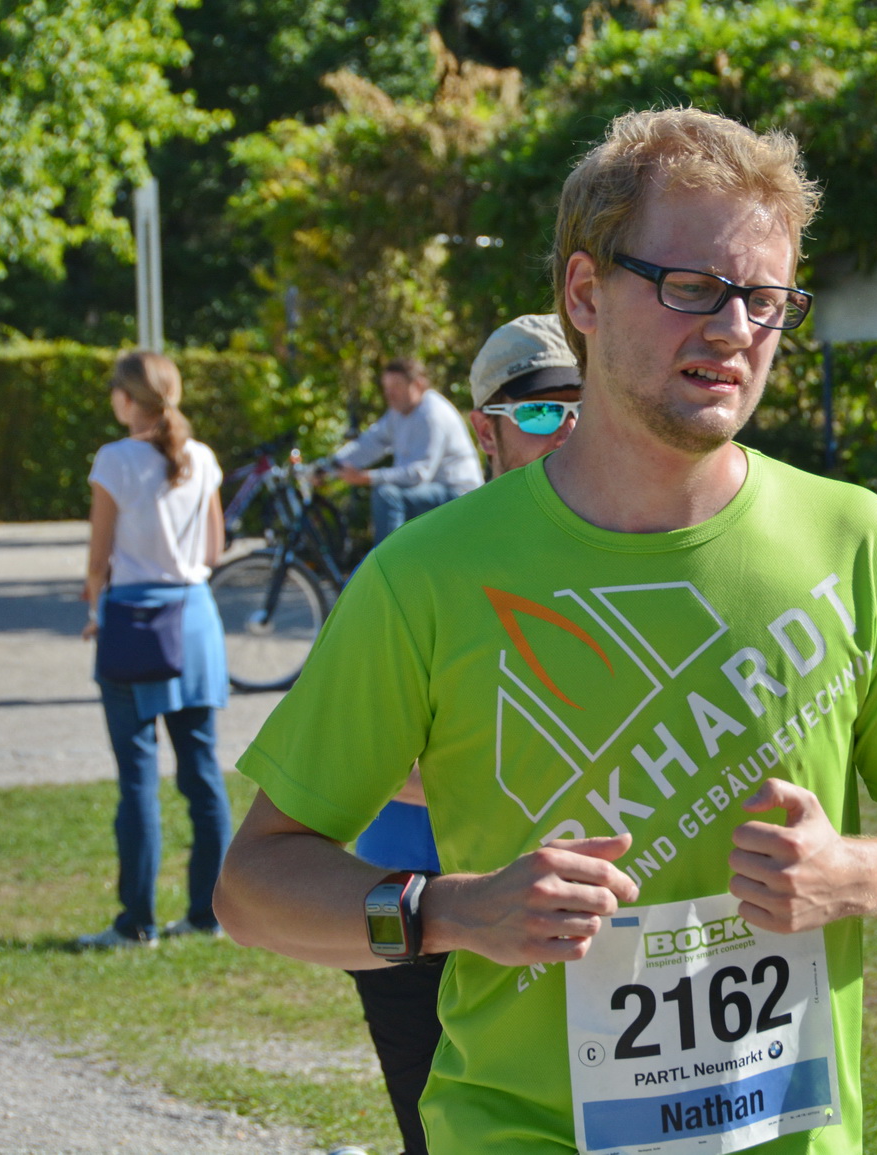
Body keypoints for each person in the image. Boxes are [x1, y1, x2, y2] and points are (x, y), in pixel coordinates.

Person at [215, 107, 877, 1155]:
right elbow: (254, 886)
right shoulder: (429, 576)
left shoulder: (855, 540)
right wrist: (448, 912)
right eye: (692, 288)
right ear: (584, 294)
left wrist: (851, 874)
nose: (732, 330)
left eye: (765, 300)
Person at [345, 313, 582, 1155]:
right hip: (419, 905)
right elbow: (358, 757)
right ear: (487, 430)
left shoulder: (637, 553)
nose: (571, 432)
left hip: (573, 911)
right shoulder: (423, 564)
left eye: (590, 406)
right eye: (545, 413)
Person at [79, 350, 231, 949]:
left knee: (137, 779)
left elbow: (99, 556)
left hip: (136, 621)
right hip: (194, 620)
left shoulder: (115, 460)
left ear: (125, 399)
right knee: (202, 773)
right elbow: (214, 549)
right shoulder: (202, 457)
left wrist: (94, 611)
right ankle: (208, 913)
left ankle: (135, 920)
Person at [331, 357, 485, 545]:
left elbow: (419, 474)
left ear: (418, 384)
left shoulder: (432, 414)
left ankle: (389, 568)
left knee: (386, 495)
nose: (389, 394)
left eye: (396, 386)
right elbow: (369, 444)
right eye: (386, 387)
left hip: (460, 496)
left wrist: (367, 477)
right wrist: (329, 466)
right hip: (429, 492)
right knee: (388, 493)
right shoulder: (398, 413)